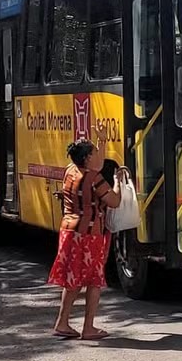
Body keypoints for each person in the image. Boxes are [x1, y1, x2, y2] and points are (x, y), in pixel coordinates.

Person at [48, 138, 121, 340]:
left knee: (73, 279)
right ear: (87, 158)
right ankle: (88, 327)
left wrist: (102, 143)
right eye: (94, 152)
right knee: (93, 280)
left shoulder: (70, 171)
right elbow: (114, 201)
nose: (97, 156)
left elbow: (97, 166)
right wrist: (118, 184)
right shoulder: (94, 179)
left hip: (69, 230)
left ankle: (62, 322)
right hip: (89, 234)